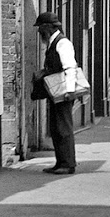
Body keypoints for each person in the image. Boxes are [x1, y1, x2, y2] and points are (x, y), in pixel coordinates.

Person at [32, 13, 79, 175]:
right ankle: (61, 162)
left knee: (63, 127)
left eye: (40, 29)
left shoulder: (62, 43)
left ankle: (67, 164)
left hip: (64, 91)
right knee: (56, 127)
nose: (39, 33)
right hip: (57, 91)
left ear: (48, 28)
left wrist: (70, 91)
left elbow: (70, 67)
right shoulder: (54, 42)